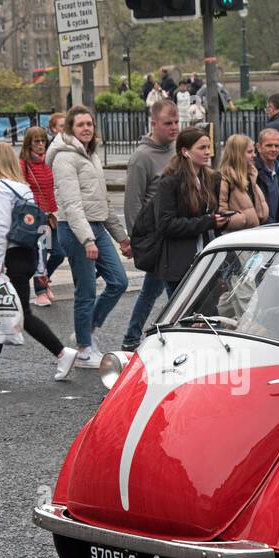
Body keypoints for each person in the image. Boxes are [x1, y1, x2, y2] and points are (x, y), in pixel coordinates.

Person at [0, 143, 78, 382]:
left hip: (12, 257)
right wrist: (40, 268)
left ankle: (62, 353)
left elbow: (0, 229)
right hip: (27, 255)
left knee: (21, 313)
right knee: (0, 308)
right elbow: (37, 228)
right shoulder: (23, 188)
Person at [46, 105, 131, 368]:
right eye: (81, 124)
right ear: (70, 128)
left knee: (119, 281)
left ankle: (87, 330)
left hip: (97, 227)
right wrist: (87, 240)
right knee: (86, 291)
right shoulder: (64, 158)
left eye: (89, 124)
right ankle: (83, 350)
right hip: (75, 230)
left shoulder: (90, 154)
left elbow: (101, 201)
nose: (86, 128)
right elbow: (71, 205)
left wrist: (122, 237)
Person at [122, 99, 180, 351]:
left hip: (173, 234)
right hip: (155, 238)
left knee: (156, 290)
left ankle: (133, 338)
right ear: (153, 124)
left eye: (177, 122)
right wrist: (137, 240)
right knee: (174, 291)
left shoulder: (176, 151)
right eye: (168, 123)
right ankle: (170, 337)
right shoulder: (141, 157)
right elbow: (132, 202)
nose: (174, 127)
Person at [152, 128, 230, 293]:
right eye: (202, 148)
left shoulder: (212, 178)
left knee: (208, 316)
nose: (208, 152)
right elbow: (166, 225)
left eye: (208, 147)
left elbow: (210, 219)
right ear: (185, 151)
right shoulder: (170, 181)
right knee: (183, 318)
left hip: (208, 261)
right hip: (180, 264)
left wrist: (220, 221)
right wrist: (208, 221)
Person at [16, 127, 59, 308]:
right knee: (40, 254)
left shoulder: (50, 161)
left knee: (58, 252)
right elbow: (21, 189)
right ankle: (40, 292)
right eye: (36, 141)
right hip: (34, 216)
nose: (41, 145)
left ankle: (44, 278)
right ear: (29, 143)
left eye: (43, 141)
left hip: (51, 215)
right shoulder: (24, 164)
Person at [216, 134, 270, 229]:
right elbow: (221, 213)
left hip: (253, 231)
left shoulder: (251, 175)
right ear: (237, 154)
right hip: (235, 236)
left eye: (254, 151)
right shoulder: (225, 179)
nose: (254, 155)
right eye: (249, 152)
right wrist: (242, 219)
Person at [255, 128, 279, 224]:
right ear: (259, 147)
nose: (273, 149)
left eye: (277, 146)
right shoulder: (252, 173)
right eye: (269, 145)